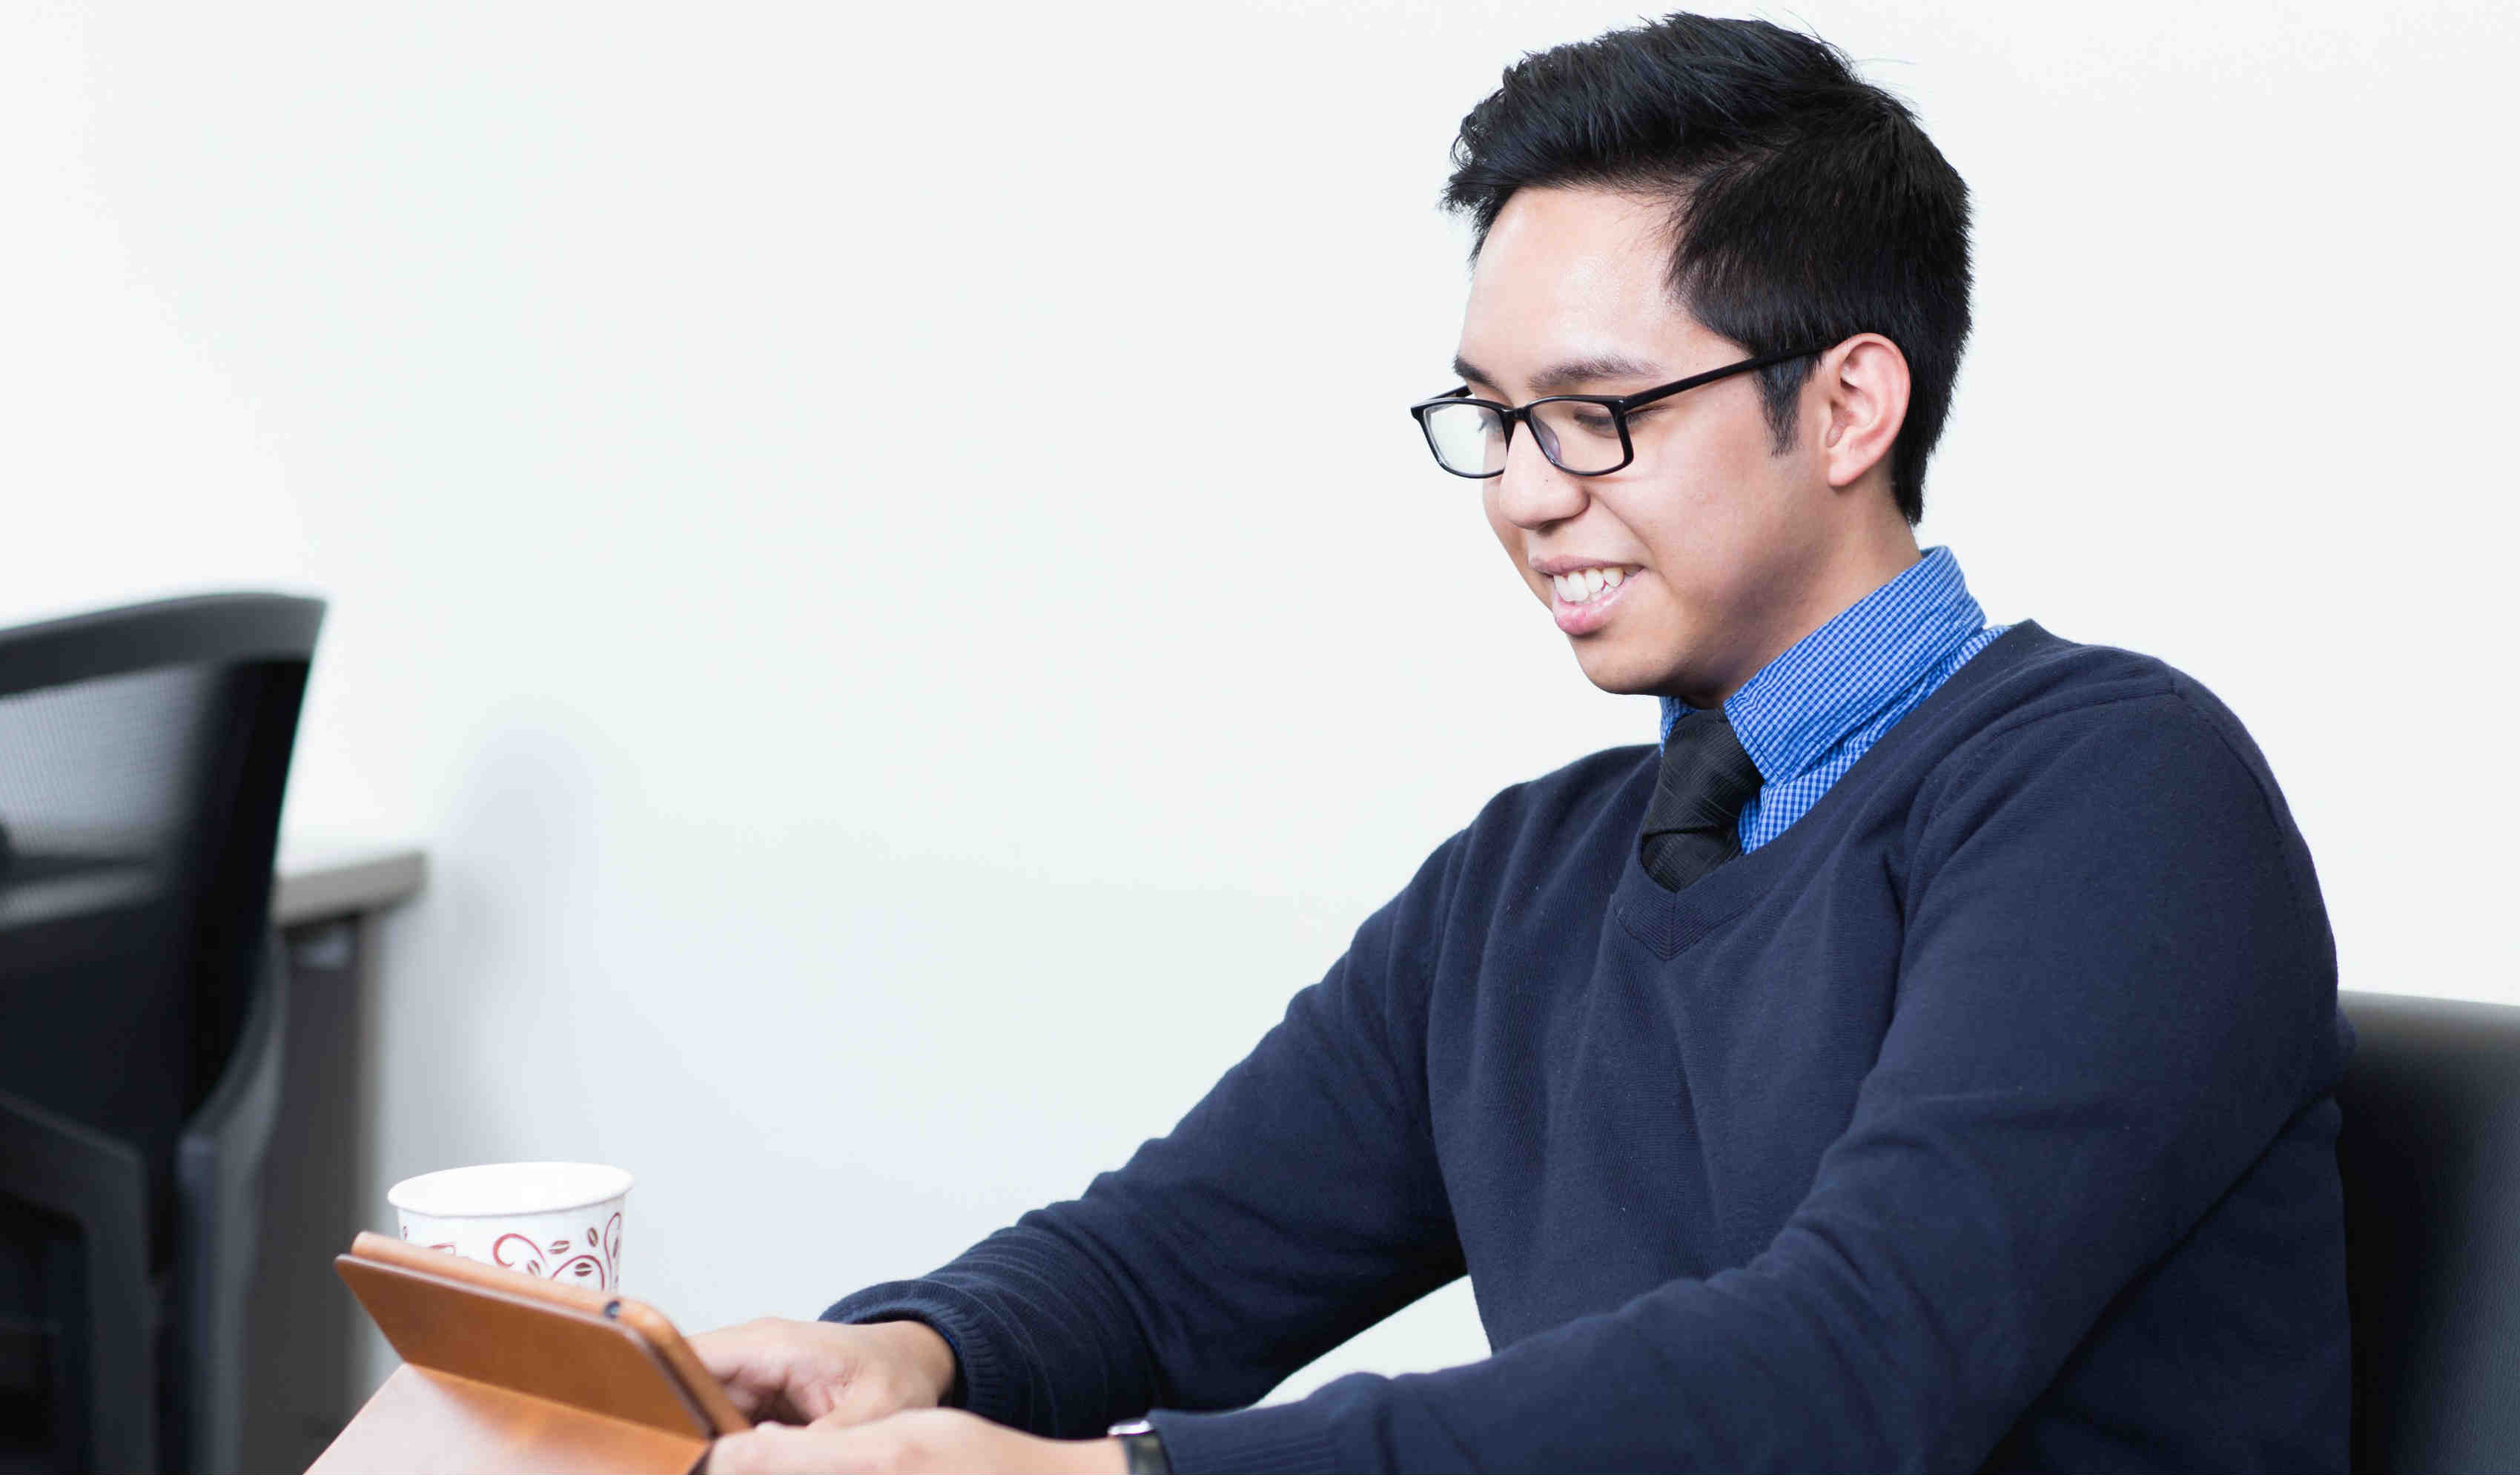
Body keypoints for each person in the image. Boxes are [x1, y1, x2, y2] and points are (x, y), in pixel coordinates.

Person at [701, 14, 2352, 1474]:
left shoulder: (2114, 793)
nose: (1522, 490)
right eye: (1490, 417)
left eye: (1595, 412)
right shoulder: (1527, 877)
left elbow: (1851, 1372)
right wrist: (914, 1350)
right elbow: (1166, 1263)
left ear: (1850, 407)